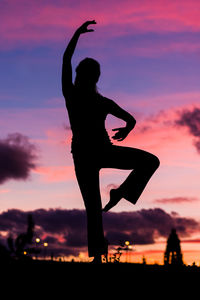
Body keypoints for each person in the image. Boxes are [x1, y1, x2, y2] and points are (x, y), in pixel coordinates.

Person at [62, 20, 160, 263]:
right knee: (149, 162)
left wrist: (76, 35)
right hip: (94, 153)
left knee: (94, 208)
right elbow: (131, 119)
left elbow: (65, 60)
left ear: (81, 75)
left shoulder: (76, 96)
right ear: (96, 77)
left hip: (90, 153)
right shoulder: (92, 99)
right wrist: (127, 128)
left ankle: (120, 194)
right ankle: (99, 255)